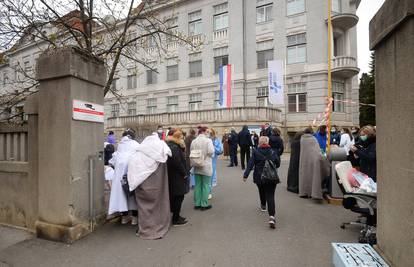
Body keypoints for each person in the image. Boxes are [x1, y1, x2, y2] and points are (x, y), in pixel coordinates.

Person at [128, 132, 172, 239]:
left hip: (142, 185)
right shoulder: (162, 151)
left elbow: (133, 171)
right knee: (160, 206)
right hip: (159, 185)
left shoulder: (137, 154)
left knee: (144, 208)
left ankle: (145, 228)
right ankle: (158, 226)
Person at [243, 136, 280, 229]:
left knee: (261, 190)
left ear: (259, 143)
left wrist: (245, 175)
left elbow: (250, 164)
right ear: (268, 142)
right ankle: (272, 217)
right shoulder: (273, 151)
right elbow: (278, 163)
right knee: (270, 195)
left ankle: (263, 205)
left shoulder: (256, 152)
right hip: (271, 177)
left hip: (259, 177)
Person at [107, 129, 139, 225]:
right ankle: (134, 218)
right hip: (131, 174)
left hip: (119, 176)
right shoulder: (136, 144)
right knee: (132, 195)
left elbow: (112, 160)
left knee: (121, 195)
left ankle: (124, 217)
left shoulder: (120, 145)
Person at [166, 129, 190, 226]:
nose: (182, 138)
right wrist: (184, 173)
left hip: (173, 175)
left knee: (175, 196)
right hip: (177, 175)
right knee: (179, 196)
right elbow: (177, 162)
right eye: (181, 136)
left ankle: (176, 215)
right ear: (177, 137)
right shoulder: (174, 147)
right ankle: (176, 218)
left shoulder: (171, 144)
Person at [299, 127, 330, 199]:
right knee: (313, 177)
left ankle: (304, 192)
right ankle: (311, 192)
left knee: (304, 176)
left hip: (304, 159)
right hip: (313, 160)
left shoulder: (302, 139)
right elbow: (317, 150)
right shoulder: (313, 139)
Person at [190, 126, 215, 210]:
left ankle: (197, 203)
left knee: (197, 185)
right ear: (204, 132)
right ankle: (204, 204)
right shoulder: (208, 141)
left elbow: (191, 151)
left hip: (196, 165)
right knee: (206, 185)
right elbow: (211, 152)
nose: (208, 133)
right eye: (207, 131)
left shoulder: (194, 141)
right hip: (206, 165)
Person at [208, 128, 223, 198]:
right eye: (208, 133)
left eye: (211, 133)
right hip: (204, 160)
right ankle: (205, 192)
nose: (209, 134)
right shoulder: (206, 139)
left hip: (212, 162)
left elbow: (220, 150)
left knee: (210, 176)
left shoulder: (217, 140)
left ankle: (209, 192)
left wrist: (213, 147)